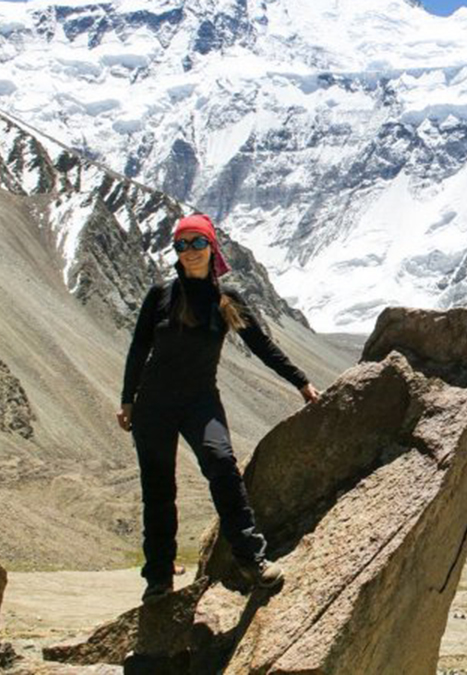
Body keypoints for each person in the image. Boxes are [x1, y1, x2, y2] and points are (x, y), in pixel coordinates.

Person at [115, 213, 320, 603]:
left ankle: (252, 560)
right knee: (158, 490)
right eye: (181, 244)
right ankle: (158, 578)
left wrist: (300, 381)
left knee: (222, 465)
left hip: (200, 402)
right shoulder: (161, 295)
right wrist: (128, 398)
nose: (189, 251)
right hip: (154, 404)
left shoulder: (228, 300)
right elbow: (139, 348)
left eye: (196, 242)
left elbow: (262, 346)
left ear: (212, 247)